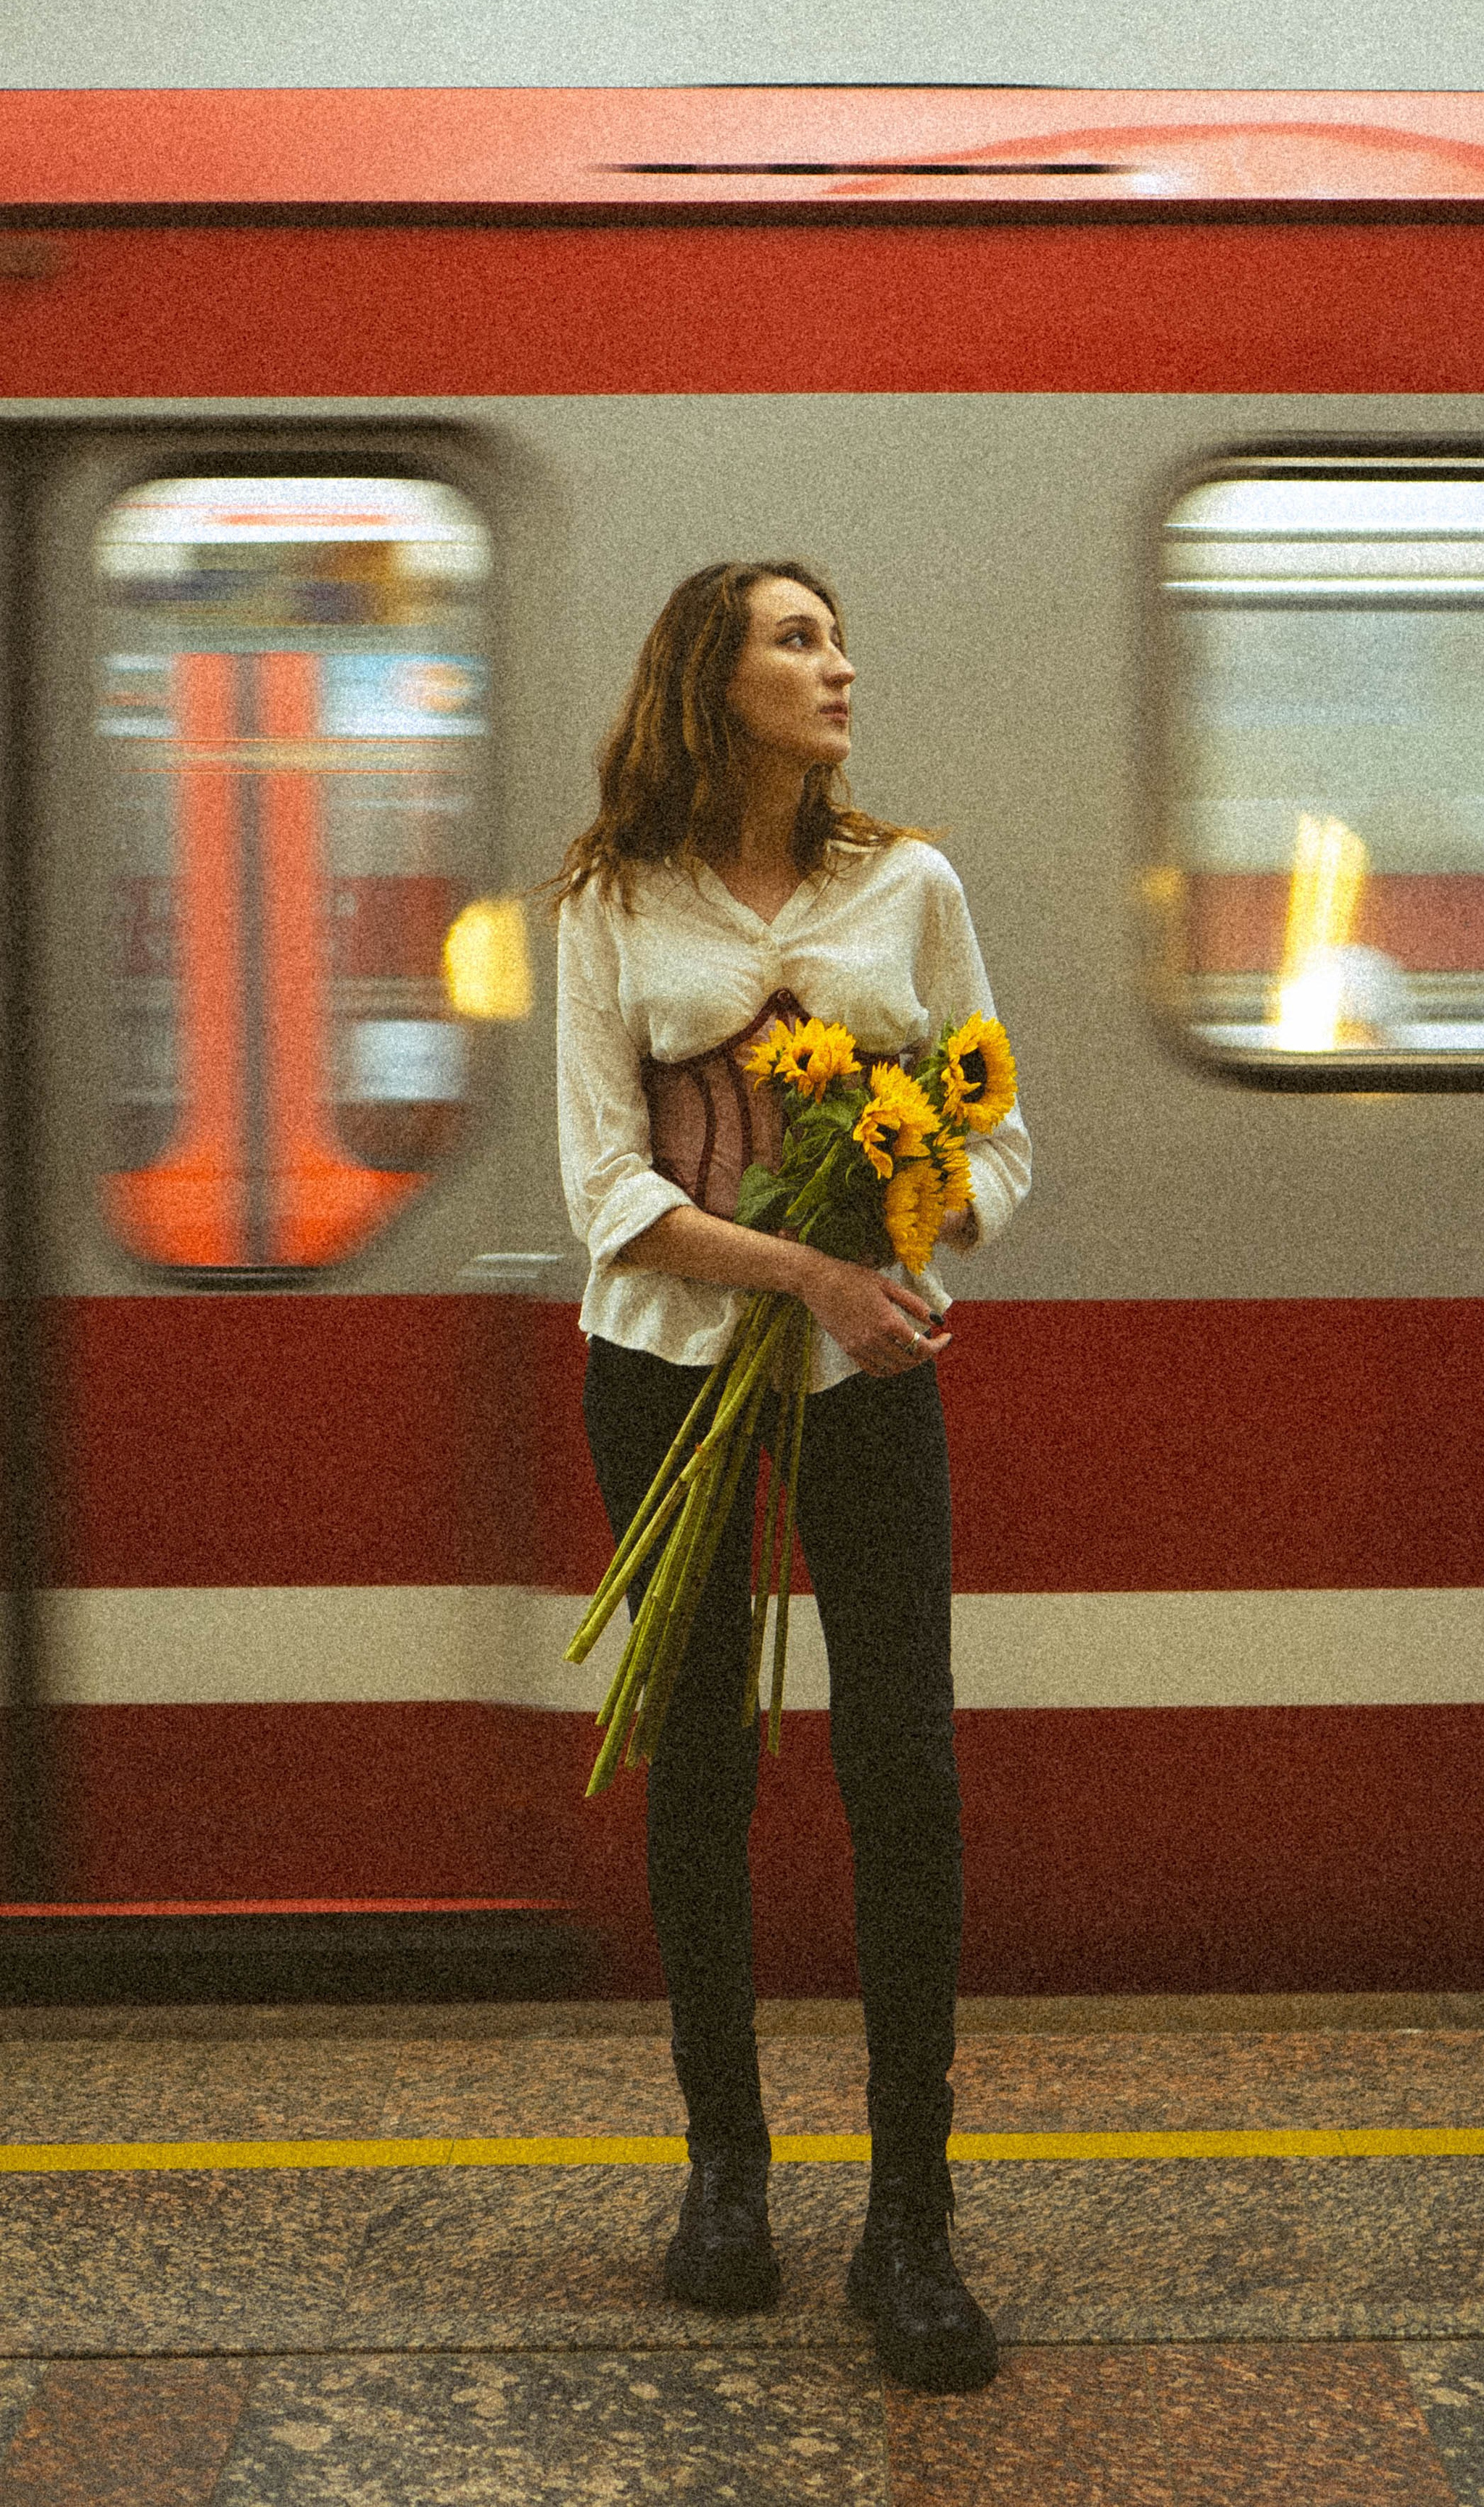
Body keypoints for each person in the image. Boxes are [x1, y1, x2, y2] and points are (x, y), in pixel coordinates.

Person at [551, 558, 1032, 2395]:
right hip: (664, 1372)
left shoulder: (907, 888)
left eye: (837, 637)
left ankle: (907, 2219)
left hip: (859, 1380)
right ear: (710, 677)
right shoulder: (613, 898)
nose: (841, 666)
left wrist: (917, 1204)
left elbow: (998, 1136)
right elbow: (605, 1193)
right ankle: (724, 2179)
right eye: (798, 640)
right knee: (704, 1763)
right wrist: (804, 1265)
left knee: (900, 1761)